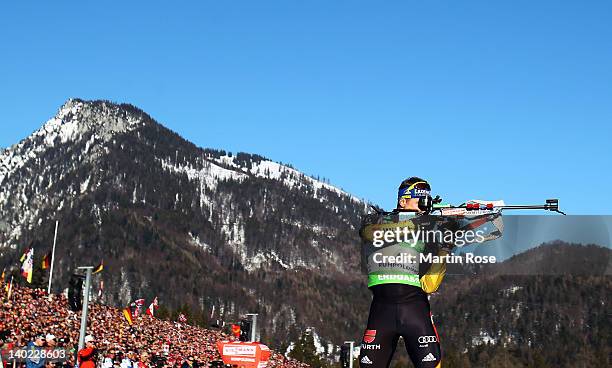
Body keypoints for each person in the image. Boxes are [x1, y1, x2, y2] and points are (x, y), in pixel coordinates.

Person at [358, 177, 466, 368]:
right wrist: (414, 225)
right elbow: (369, 234)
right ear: (402, 201)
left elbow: (430, 285)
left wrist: (446, 246)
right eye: (420, 201)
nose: (424, 207)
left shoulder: (429, 233)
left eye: (427, 202)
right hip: (381, 311)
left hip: (415, 310)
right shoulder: (378, 219)